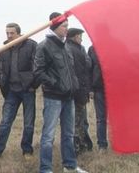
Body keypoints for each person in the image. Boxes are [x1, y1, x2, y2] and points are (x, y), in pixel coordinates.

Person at [33, 12, 88, 173]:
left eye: (67, 26)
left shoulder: (66, 46)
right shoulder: (43, 46)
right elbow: (38, 72)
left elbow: (71, 71)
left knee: (69, 134)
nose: (67, 29)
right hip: (53, 98)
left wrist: (74, 85)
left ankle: (70, 166)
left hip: (69, 97)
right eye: (64, 26)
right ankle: (45, 169)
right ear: (56, 27)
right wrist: (56, 84)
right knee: (48, 135)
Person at [0, 23, 37, 159]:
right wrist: (3, 84)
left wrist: (33, 85)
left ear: (18, 33)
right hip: (11, 91)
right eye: (7, 33)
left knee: (28, 123)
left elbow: (37, 67)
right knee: (5, 122)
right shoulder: (4, 49)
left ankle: (27, 150)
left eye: (12, 33)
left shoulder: (31, 46)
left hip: (28, 90)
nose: (9, 36)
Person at [65, 28, 93, 155]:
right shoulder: (72, 49)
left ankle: (82, 144)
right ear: (75, 37)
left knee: (80, 120)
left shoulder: (78, 48)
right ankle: (76, 148)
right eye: (80, 36)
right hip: (77, 91)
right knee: (76, 121)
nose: (81, 39)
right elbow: (87, 65)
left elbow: (88, 64)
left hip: (77, 90)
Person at [88, 45, 108, 150]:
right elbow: (89, 70)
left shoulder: (116, 46)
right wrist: (90, 89)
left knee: (118, 117)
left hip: (113, 89)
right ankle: (102, 145)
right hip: (98, 88)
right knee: (101, 118)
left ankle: (123, 144)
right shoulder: (92, 49)